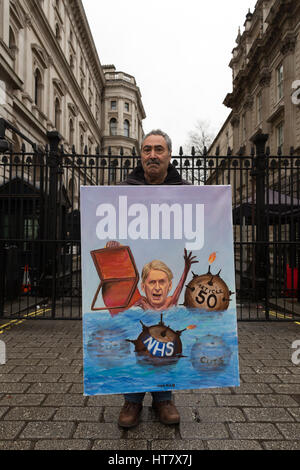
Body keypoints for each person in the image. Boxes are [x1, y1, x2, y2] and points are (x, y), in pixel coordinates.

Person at [118, 129, 192, 428]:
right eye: (147, 149)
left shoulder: (186, 191)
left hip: (166, 262)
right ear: (140, 155)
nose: (152, 155)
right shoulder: (122, 190)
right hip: (141, 265)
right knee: (137, 340)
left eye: (158, 149)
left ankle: (164, 399)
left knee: (166, 336)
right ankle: (132, 400)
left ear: (169, 155)